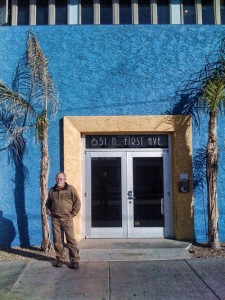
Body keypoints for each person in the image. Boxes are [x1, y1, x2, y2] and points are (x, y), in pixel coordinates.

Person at [46, 172, 81, 269]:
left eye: (61, 179)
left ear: (65, 180)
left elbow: (77, 202)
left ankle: (75, 260)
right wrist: (48, 211)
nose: (59, 180)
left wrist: (73, 214)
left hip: (67, 218)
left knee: (71, 240)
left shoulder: (70, 189)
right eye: (57, 178)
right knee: (57, 240)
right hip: (55, 219)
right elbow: (47, 203)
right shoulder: (52, 191)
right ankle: (60, 259)